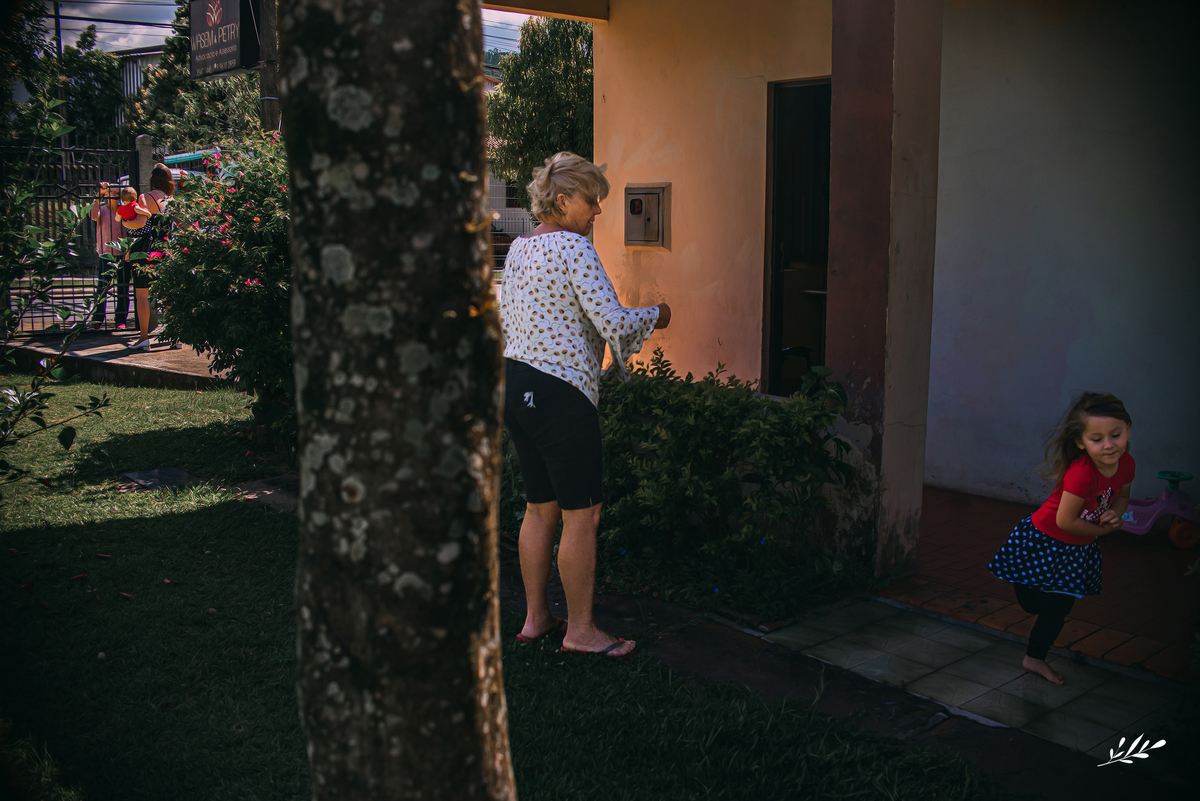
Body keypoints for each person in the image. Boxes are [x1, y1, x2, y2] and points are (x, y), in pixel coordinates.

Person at [500, 152, 672, 658]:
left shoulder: (517, 248)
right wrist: (658, 314)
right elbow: (615, 323)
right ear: (562, 200)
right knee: (583, 515)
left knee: (539, 508)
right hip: (559, 395)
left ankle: (536, 620)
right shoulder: (574, 248)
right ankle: (581, 632)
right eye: (592, 200)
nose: (598, 211)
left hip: (515, 386)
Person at [988, 392, 1134, 685]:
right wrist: (1103, 531)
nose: (1108, 445)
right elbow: (1064, 521)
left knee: (1059, 608)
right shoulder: (1081, 473)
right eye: (1097, 439)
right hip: (1042, 541)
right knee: (1034, 605)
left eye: (1115, 435)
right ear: (1081, 442)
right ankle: (1027, 591)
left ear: (1127, 430)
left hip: (1076, 548)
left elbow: (1123, 496)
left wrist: (1116, 514)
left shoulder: (1127, 463)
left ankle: (1034, 657)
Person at [125, 163, 175, 350]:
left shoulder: (145, 197)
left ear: (152, 179)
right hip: (165, 250)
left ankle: (144, 338)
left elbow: (140, 223)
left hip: (145, 249)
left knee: (142, 295)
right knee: (167, 294)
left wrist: (124, 222)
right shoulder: (171, 200)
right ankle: (175, 336)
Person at [88, 182, 131, 329]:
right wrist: (98, 195)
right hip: (106, 255)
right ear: (106, 195)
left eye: (116, 193)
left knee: (122, 288)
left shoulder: (124, 211)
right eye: (111, 193)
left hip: (123, 255)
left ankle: (121, 320)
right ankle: (97, 320)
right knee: (102, 288)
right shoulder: (101, 210)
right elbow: (93, 216)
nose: (114, 196)